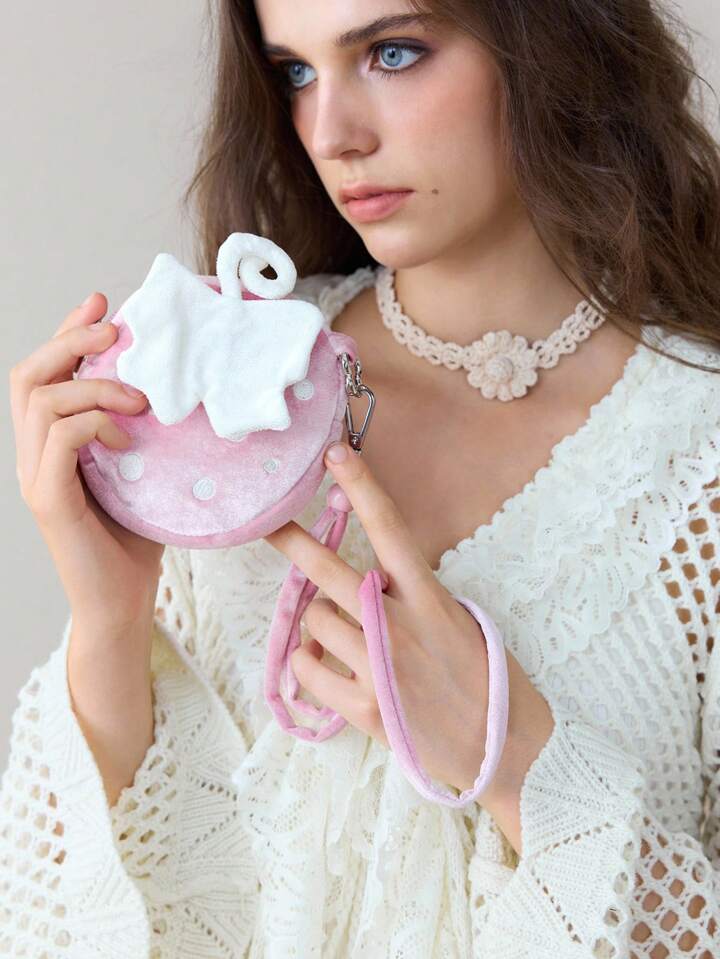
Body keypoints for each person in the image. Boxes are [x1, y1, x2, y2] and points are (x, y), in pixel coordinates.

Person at [4, 0, 720, 955]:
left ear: (549, 39)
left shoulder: (698, 453)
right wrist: (110, 620)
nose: (332, 134)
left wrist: (514, 759)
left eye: (393, 53)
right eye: (296, 73)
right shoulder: (225, 388)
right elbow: (72, 919)